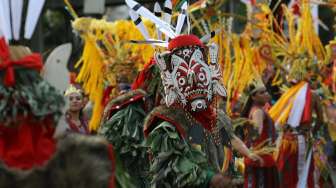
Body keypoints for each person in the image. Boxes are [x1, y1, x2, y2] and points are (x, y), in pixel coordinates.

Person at [240, 82, 279, 188]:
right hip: (261, 159)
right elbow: (256, 134)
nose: (266, 94)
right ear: (253, 97)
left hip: (259, 157)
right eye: (262, 92)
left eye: (266, 91)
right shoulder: (258, 112)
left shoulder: (257, 110)